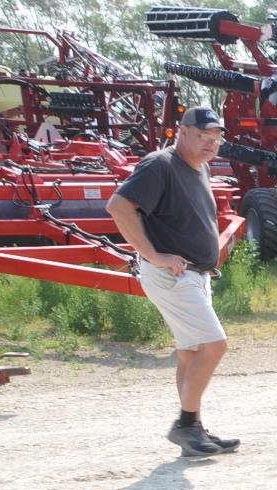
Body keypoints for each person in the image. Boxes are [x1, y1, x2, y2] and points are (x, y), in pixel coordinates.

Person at [105, 106, 240, 457]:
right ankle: (185, 426)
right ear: (182, 131)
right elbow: (119, 206)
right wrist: (154, 255)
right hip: (172, 275)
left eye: (216, 137)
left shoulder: (198, 167)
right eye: (203, 136)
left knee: (191, 352)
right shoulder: (160, 165)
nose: (211, 143)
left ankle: (192, 428)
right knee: (214, 345)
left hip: (193, 275)